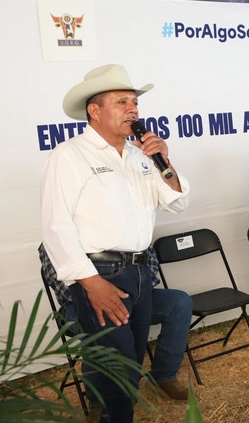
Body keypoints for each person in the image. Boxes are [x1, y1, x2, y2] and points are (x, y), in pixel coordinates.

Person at [40, 64, 189, 423]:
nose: (133, 109)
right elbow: (56, 227)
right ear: (94, 110)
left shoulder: (141, 156)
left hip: (141, 272)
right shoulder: (70, 155)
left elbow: (176, 201)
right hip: (101, 273)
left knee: (130, 363)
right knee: (117, 369)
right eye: (122, 102)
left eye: (134, 102)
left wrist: (164, 161)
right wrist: (92, 284)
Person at [39, 244, 193, 402]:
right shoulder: (58, 237)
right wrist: (106, 293)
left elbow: (150, 263)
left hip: (134, 297)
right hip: (80, 305)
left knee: (179, 302)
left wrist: (132, 288)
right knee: (95, 323)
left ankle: (163, 376)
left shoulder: (129, 233)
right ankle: (98, 403)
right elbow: (62, 284)